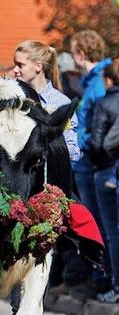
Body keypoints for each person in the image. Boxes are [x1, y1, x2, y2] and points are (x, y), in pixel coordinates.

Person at [10, 39, 79, 315]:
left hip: (48, 192)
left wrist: (48, 150)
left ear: (37, 67)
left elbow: (74, 149)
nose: (14, 69)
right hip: (16, 189)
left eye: (20, 64)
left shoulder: (59, 102)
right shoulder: (9, 98)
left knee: (39, 255)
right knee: (13, 251)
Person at [68, 30, 113, 300]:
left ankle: (104, 280)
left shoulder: (97, 83)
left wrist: (80, 140)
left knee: (99, 224)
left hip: (90, 161)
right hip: (84, 162)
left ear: (82, 54)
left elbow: (97, 122)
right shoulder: (91, 81)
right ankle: (99, 278)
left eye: (73, 53)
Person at [89, 59, 119, 304]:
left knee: (110, 231)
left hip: (105, 171)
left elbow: (98, 144)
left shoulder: (105, 103)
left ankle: (114, 285)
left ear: (108, 79)